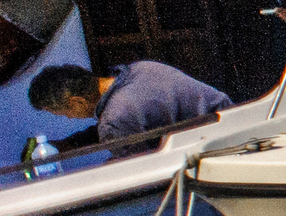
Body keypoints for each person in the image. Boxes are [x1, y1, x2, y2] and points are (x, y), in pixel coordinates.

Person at [28, 60, 232, 155]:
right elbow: (129, 123)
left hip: (218, 151)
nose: (70, 118)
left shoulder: (114, 120)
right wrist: (68, 144)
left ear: (77, 102)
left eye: (64, 113)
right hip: (233, 120)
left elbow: (136, 170)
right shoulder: (143, 68)